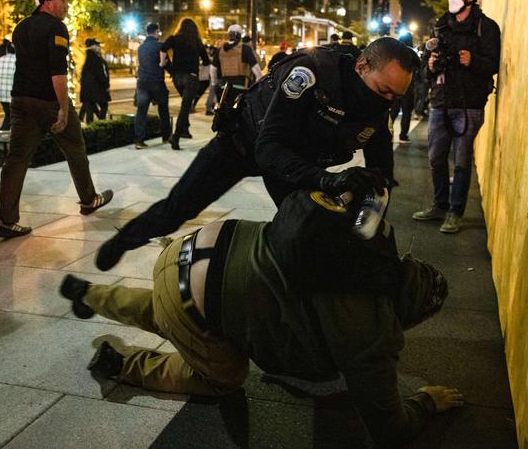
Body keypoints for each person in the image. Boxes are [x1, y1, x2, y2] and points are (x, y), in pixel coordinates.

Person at [61, 189, 462, 448]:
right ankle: (124, 365)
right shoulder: (374, 336)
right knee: (224, 378)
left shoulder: (366, 252)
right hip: (196, 297)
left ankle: (91, 294)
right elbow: (390, 430)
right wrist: (426, 402)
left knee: (166, 307)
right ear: (412, 314)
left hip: (188, 249)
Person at [96, 37, 415, 271]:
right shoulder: (311, 74)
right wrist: (327, 180)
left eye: (395, 96)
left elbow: (381, 172)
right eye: (383, 90)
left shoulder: (380, 107)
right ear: (362, 66)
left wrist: (372, 205)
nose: (387, 100)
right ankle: (124, 240)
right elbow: (268, 147)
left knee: (309, 235)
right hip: (243, 144)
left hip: (295, 163)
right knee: (177, 209)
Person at [0, 0, 113, 239]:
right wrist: (63, 108)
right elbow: (57, 71)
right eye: (62, 0)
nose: (66, 5)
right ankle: (89, 200)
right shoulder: (56, 28)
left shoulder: (21, 27)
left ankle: (6, 220)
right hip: (47, 101)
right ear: (47, 2)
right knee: (75, 148)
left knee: (16, 159)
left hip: (20, 100)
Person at [412, 0, 500, 234]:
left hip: (470, 105)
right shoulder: (441, 25)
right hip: (441, 101)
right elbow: (427, 67)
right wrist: (429, 65)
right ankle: (439, 204)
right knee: (436, 157)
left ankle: (455, 212)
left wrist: (471, 61)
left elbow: (493, 65)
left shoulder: (487, 27)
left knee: (461, 160)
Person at [160, 18, 210, 150]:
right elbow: (206, 61)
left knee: (185, 104)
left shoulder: (174, 38)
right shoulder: (196, 42)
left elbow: (163, 48)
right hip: (191, 77)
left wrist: (163, 63)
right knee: (185, 107)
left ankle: (185, 130)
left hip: (177, 78)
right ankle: (176, 137)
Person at [134, 23, 172, 150]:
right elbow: (167, 64)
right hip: (156, 82)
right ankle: (166, 136)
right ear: (156, 32)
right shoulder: (160, 47)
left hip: (143, 83)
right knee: (163, 110)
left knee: (141, 112)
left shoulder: (141, 48)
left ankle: (139, 140)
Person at [210, 25, 263, 102]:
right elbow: (256, 68)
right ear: (240, 35)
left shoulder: (220, 50)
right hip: (240, 87)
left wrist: (214, 84)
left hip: (224, 87)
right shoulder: (245, 49)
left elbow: (213, 69)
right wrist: (259, 81)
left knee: (222, 110)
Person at [390, 32, 420, 144]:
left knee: (393, 112)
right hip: (408, 86)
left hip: (394, 86)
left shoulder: (394, 53)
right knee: (407, 112)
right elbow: (419, 68)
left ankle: (388, 135)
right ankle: (403, 136)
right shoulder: (412, 53)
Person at [78, 37, 111, 124]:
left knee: (90, 110)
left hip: (87, 91)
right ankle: (101, 122)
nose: (99, 47)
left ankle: (91, 127)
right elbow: (101, 75)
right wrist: (106, 86)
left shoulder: (87, 59)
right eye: (97, 45)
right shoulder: (97, 60)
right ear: (93, 47)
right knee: (104, 105)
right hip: (97, 90)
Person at [0, 42, 16, 131]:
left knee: (8, 114)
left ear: (6, 50)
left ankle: (4, 131)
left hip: (2, 96)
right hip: (16, 95)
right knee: (17, 116)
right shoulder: (21, 61)